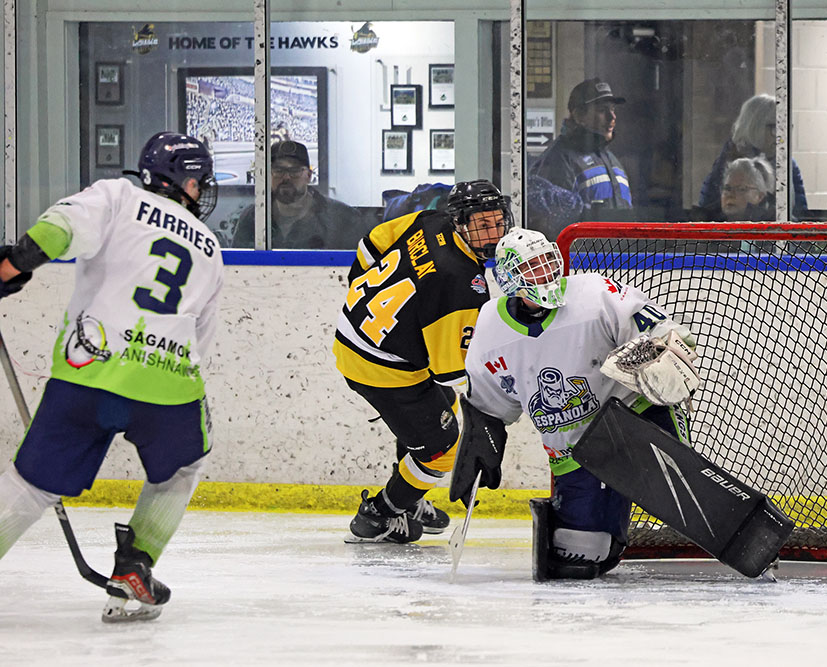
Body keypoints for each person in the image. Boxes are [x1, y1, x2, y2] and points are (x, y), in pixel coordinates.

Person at [0, 132, 224, 622]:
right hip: (167, 386)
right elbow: (199, 340)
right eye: (199, 180)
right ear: (184, 182)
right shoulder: (209, 246)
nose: (201, 190)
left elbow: (56, 231)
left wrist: (7, 269)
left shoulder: (117, 197)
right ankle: (134, 567)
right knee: (183, 467)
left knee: (30, 485)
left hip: (86, 371)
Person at [456, 228, 698, 579]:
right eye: (532, 268)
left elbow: (668, 334)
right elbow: (489, 404)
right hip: (574, 449)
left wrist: (663, 353)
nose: (545, 273)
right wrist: (481, 439)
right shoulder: (490, 327)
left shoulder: (596, 294)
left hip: (634, 418)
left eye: (547, 262)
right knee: (582, 554)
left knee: (686, 499)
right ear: (509, 280)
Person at [334, 180, 513, 543]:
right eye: (482, 225)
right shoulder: (462, 284)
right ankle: (379, 514)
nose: (493, 234)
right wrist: (491, 414)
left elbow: (373, 242)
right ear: (460, 221)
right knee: (442, 450)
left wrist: (359, 289)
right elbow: (452, 373)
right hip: (382, 367)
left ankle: (410, 497)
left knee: (438, 410)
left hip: (356, 334)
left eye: (497, 222)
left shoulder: (430, 220)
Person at [528, 78, 632, 239]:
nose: (612, 117)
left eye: (613, 109)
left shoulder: (611, 159)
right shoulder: (560, 159)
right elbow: (550, 223)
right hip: (581, 254)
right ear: (578, 116)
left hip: (619, 253)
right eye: (602, 110)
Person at [232, 140, 366, 249]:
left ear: (308, 176)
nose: (286, 177)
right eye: (278, 170)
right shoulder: (253, 218)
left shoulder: (342, 218)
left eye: (295, 171)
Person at [698, 93, 808, 219]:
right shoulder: (730, 162)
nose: (781, 137)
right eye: (775, 129)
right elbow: (710, 211)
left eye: (785, 129)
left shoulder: (787, 163)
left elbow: (800, 212)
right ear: (755, 126)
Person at [691, 156, 775, 222]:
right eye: (727, 188)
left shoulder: (773, 222)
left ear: (760, 196)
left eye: (741, 189)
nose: (731, 194)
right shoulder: (708, 221)